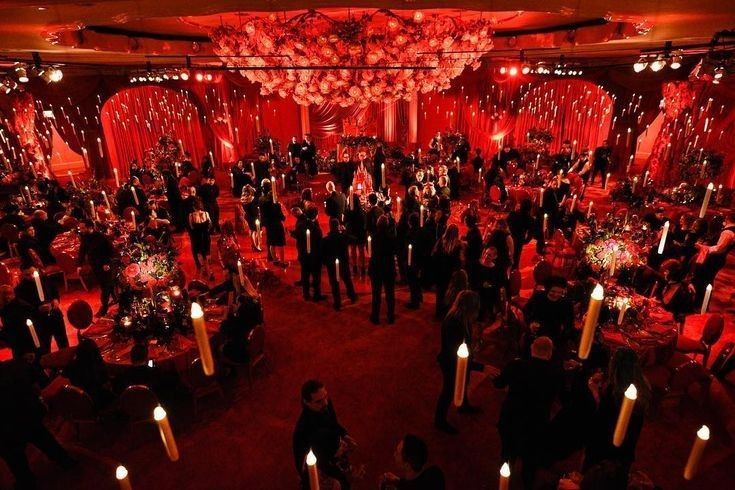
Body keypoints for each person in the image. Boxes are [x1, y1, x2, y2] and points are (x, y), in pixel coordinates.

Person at [493, 336, 564, 488]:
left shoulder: (515, 365)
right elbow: (564, 399)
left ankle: (504, 481)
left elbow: (499, 383)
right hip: (536, 423)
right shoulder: (556, 374)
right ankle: (527, 481)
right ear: (549, 354)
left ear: (532, 349)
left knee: (507, 453)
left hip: (511, 418)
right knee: (530, 459)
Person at [0, 357, 77, 489]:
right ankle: (66, 461)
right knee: (43, 438)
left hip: (5, 430)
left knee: (15, 459)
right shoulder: (16, 365)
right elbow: (42, 381)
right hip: (30, 415)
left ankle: (27, 482)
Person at [583, 348, 651, 476]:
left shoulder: (614, 394)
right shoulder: (642, 386)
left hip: (605, 447)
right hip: (627, 447)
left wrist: (594, 391)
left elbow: (600, 419)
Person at [434, 290, 481, 434]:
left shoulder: (461, 316)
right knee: (448, 391)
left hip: (457, 359)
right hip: (450, 363)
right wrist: (481, 367)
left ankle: (463, 406)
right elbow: (457, 355)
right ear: (468, 308)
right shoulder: (453, 323)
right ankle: (439, 421)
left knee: (464, 381)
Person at [293, 380, 354, 481]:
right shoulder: (304, 429)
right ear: (306, 402)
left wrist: (344, 435)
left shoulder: (325, 404)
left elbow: (333, 423)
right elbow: (307, 462)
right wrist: (335, 453)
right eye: (319, 401)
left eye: (325, 396)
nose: (325, 402)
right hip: (319, 467)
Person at [14, 266, 68, 354]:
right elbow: (24, 309)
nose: (31, 276)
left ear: (37, 270)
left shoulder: (46, 279)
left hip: (55, 316)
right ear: (22, 275)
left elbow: (55, 292)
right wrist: (37, 309)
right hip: (40, 323)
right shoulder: (20, 290)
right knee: (45, 349)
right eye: (27, 275)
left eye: (33, 273)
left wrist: (56, 300)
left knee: (63, 344)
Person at [692, 211, 735, 304]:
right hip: (717, 258)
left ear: (727, 219)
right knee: (705, 279)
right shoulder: (729, 230)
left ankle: (700, 301)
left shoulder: (728, 232)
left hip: (715, 259)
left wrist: (703, 247)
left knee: (704, 279)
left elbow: (719, 249)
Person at [523, 276, 575, 348]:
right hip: (536, 332)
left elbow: (569, 322)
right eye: (553, 291)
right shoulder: (538, 296)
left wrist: (563, 332)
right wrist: (530, 323)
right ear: (547, 290)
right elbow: (526, 310)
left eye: (559, 292)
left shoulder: (566, 303)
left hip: (555, 335)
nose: (556, 295)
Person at [78, 219, 116, 317]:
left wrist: (107, 263)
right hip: (95, 265)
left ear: (90, 227)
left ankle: (104, 308)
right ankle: (115, 298)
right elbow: (82, 251)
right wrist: (79, 264)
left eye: (83, 228)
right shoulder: (84, 237)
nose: (80, 230)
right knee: (106, 284)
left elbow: (111, 251)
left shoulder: (101, 237)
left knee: (104, 287)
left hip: (105, 265)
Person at [381, 434, 446, 490]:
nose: (394, 454)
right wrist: (398, 481)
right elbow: (415, 484)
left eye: (397, 453)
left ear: (407, 465)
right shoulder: (436, 472)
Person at [63, 338, 114, 408]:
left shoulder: (72, 366)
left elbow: (64, 374)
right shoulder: (97, 367)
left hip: (79, 403)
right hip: (97, 403)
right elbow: (106, 384)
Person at [219, 288, 263, 364]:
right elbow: (238, 321)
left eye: (238, 304)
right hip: (248, 346)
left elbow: (224, 330)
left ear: (243, 308)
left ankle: (225, 368)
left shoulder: (241, 322)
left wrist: (225, 316)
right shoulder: (250, 316)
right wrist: (235, 313)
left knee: (219, 347)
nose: (236, 306)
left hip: (241, 353)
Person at [322, 219, 357, 311]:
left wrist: (326, 263)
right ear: (338, 226)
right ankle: (352, 296)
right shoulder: (343, 237)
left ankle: (337, 302)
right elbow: (354, 240)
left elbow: (323, 253)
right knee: (347, 280)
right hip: (343, 263)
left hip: (331, 264)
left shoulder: (325, 240)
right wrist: (345, 231)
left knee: (334, 283)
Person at [368, 215, 397, 324]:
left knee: (376, 294)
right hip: (388, 268)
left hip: (376, 268)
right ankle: (391, 316)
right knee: (390, 294)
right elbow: (395, 250)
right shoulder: (391, 238)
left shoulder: (373, 238)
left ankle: (375, 316)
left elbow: (370, 252)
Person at [432, 224, 463, 319]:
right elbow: (460, 260)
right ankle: (447, 314)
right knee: (450, 293)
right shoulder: (458, 244)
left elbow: (434, 255)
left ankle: (438, 313)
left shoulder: (441, 241)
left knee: (440, 292)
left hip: (440, 271)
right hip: (451, 273)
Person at [295, 206, 324, 301]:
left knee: (305, 274)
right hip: (314, 256)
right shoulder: (316, 229)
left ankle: (306, 294)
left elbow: (298, 239)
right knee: (316, 276)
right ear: (315, 216)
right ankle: (316, 294)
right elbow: (320, 244)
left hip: (303, 254)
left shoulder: (300, 225)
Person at [0, 285, 37, 359]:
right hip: (18, 344)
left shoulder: (21, 308)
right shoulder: (7, 307)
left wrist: (26, 351)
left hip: (25, 346)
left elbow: (23, 332)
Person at [260, 180, 287, 267]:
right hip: (277, 225)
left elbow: (263, 215)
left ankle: (275, 259)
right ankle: (282, 262)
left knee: (271, 243)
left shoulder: (264, 203)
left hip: (269, 225)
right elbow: (281, 216)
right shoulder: (277, 205)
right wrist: (284, 216)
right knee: (280, 244)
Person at [188, 199, 213, 280]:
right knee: (206, 254)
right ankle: (208, 272)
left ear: (194, 207)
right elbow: (210, 225)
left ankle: (206, 272)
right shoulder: (206, 213)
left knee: (201, 255)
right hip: (206, 237)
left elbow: (191, 227)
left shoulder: (191, 215)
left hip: (197, 238)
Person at [507, 198, 535, 269]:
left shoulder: (513, 214)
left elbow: (505, 224)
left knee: (506, 256)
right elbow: (531, 233)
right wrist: (525, 241)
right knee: (516, 259)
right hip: (519, 240)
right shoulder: (530, 219)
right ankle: (513, 274)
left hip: (509, 237)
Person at [345, 193, 367, 278]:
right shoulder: (362, 211)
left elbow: (345, 221)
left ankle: (354, 266)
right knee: (361, 251)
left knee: (353, 250)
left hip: (352, 233)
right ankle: (362, 267)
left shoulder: (348, 211)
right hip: (360, 233)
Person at [240, 185, 262, 252]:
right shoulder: (253, 198)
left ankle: (253, 244)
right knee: (259, 231)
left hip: (248, 216)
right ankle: (257, 245)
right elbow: (258, 204)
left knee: (252, 231)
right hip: (255, 216)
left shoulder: (243, 199)